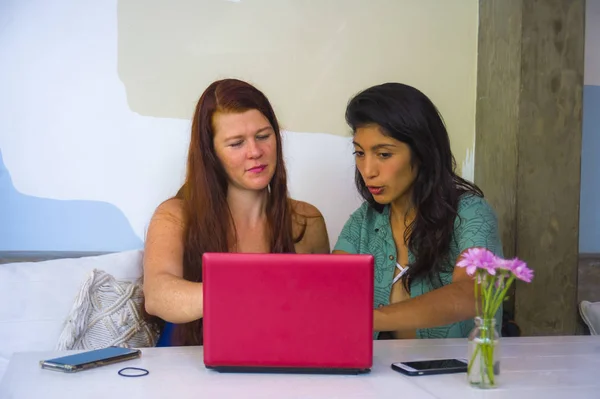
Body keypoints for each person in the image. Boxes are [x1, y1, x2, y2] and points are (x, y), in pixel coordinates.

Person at [143, 78, 330, 346]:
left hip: (281, 369)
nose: (255, 152)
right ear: (211, 154)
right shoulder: (174, 215)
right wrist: (250, 292)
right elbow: (158, 296)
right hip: (191, 376)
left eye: (264, 136)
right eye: (236, 143)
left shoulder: (307, 221)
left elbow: (323, 314)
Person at [333, 82, 503, 339]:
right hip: (376, 378)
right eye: (359, 153)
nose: (368, 170)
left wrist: (369, 319)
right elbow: (329, 294)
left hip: (458, 376)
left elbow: (473, 293)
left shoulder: (471, 214)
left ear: (422, 152)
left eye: (384, 154)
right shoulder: (362, 223)